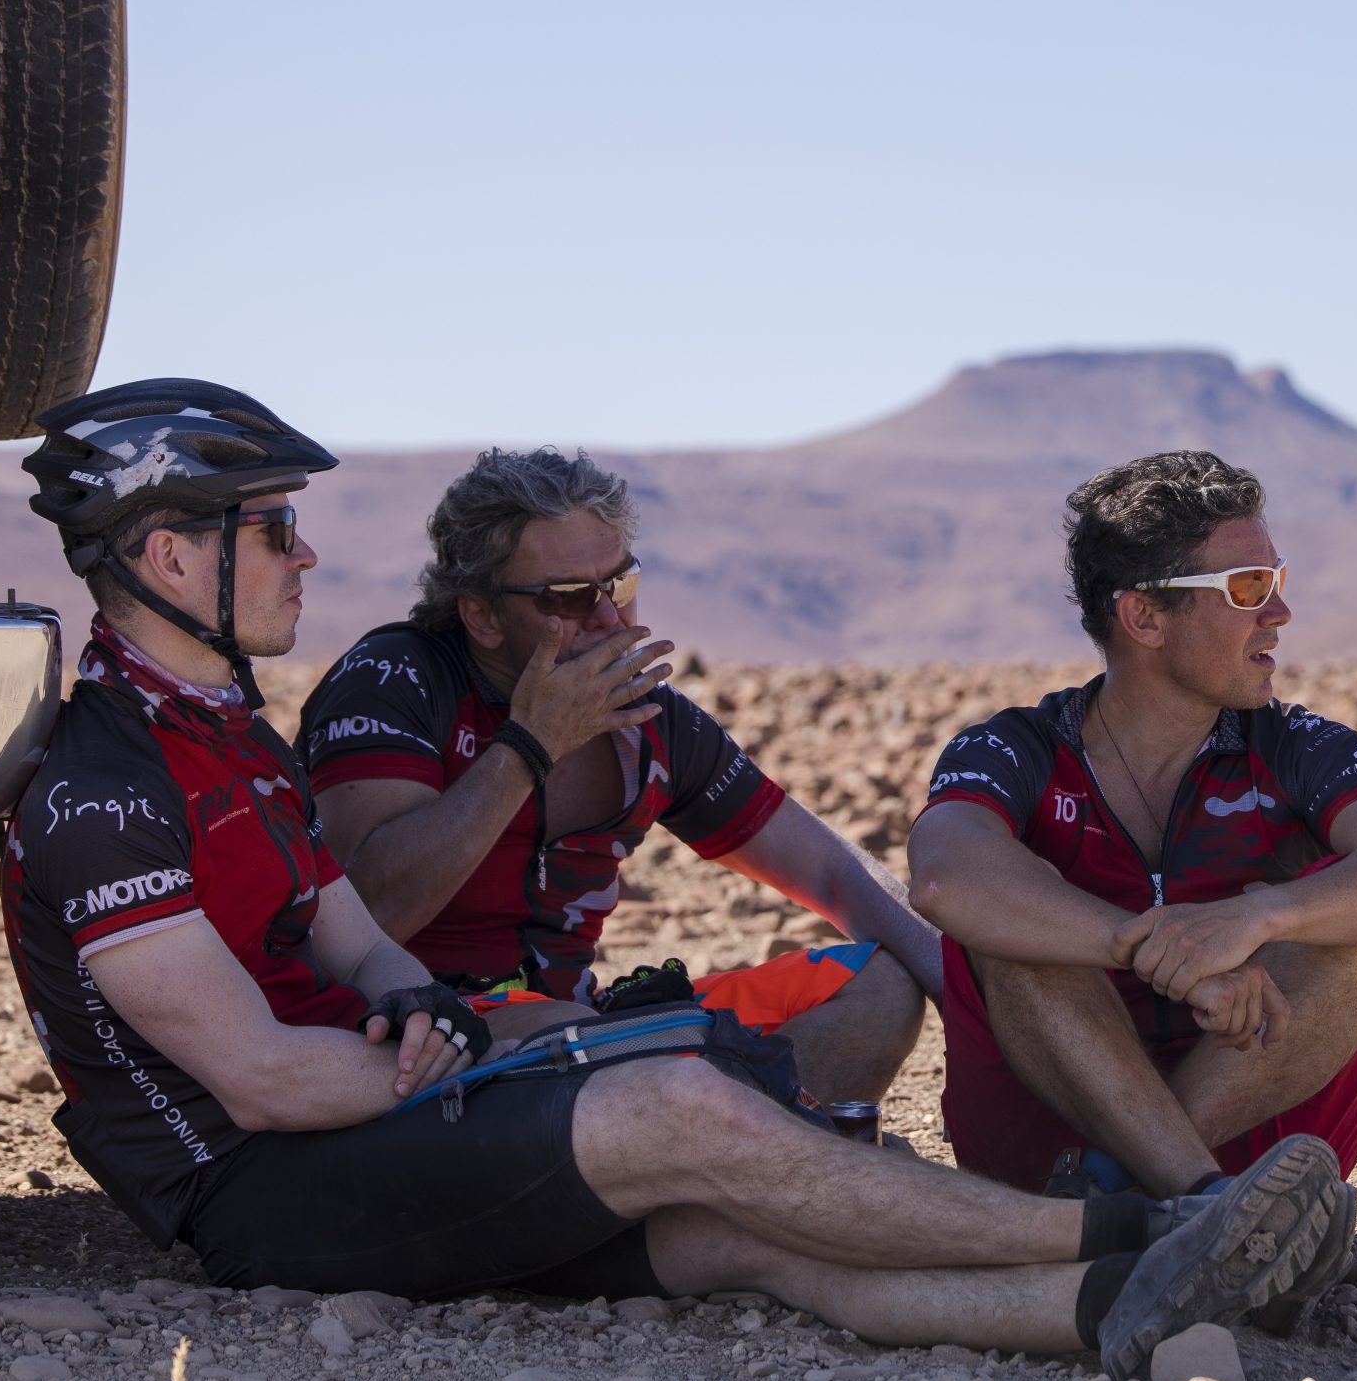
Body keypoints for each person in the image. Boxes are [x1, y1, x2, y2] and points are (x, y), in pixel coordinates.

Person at [0, 380, 1355, 1370]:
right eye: (272, 528)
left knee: (733, 1233)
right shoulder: (109, 782)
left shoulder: (222, 736)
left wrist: (472, 1019)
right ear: (172, 556)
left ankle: (1136, 1304)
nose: (306, 556)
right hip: (255, 1179)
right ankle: (1149, 1228)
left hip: (394, 1091)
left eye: (618, 584)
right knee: (675, 1111)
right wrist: (507, 1041)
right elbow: (266, 1077)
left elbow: (361, 945)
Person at [907, 451, 1357, 1265]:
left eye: (1278, 580)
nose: (1280, 613)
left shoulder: (1299, 746)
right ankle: (1203, 1209)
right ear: (1144, 617)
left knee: (1350, 921)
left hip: (1227, 1170)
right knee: (1017, 926)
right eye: (1247, 589)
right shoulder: (1015, 748)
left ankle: (1146, 1198)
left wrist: (1254, 918)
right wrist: (1161, 948)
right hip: (1057, 1168)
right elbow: (946, 874)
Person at [293, 448, 935, 1102]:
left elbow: (832, 871)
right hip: (427, 1034)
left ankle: (751, 1168)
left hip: (589, 1030)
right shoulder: (396, 681)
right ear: (481, 615)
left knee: (879, 988)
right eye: (568, 598)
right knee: (581, 1037)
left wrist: (964, 987)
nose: (609, 619)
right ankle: (750, 1164)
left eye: (620, 584)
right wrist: (528, 747)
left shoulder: (647, 719)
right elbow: (365, 916)